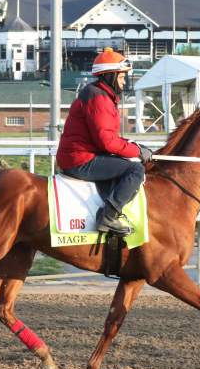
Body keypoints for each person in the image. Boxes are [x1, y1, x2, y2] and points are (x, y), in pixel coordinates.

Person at [56, 47, 152, 235]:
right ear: (110, 76)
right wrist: (137, 152)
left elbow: (108, 136)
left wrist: (135, 146)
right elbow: (107, 142)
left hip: (79, 156)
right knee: (135, 169)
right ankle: (108, 217)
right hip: (80, 160)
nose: (124, 83)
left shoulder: (100, 95)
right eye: (122, 77)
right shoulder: (99, 98)